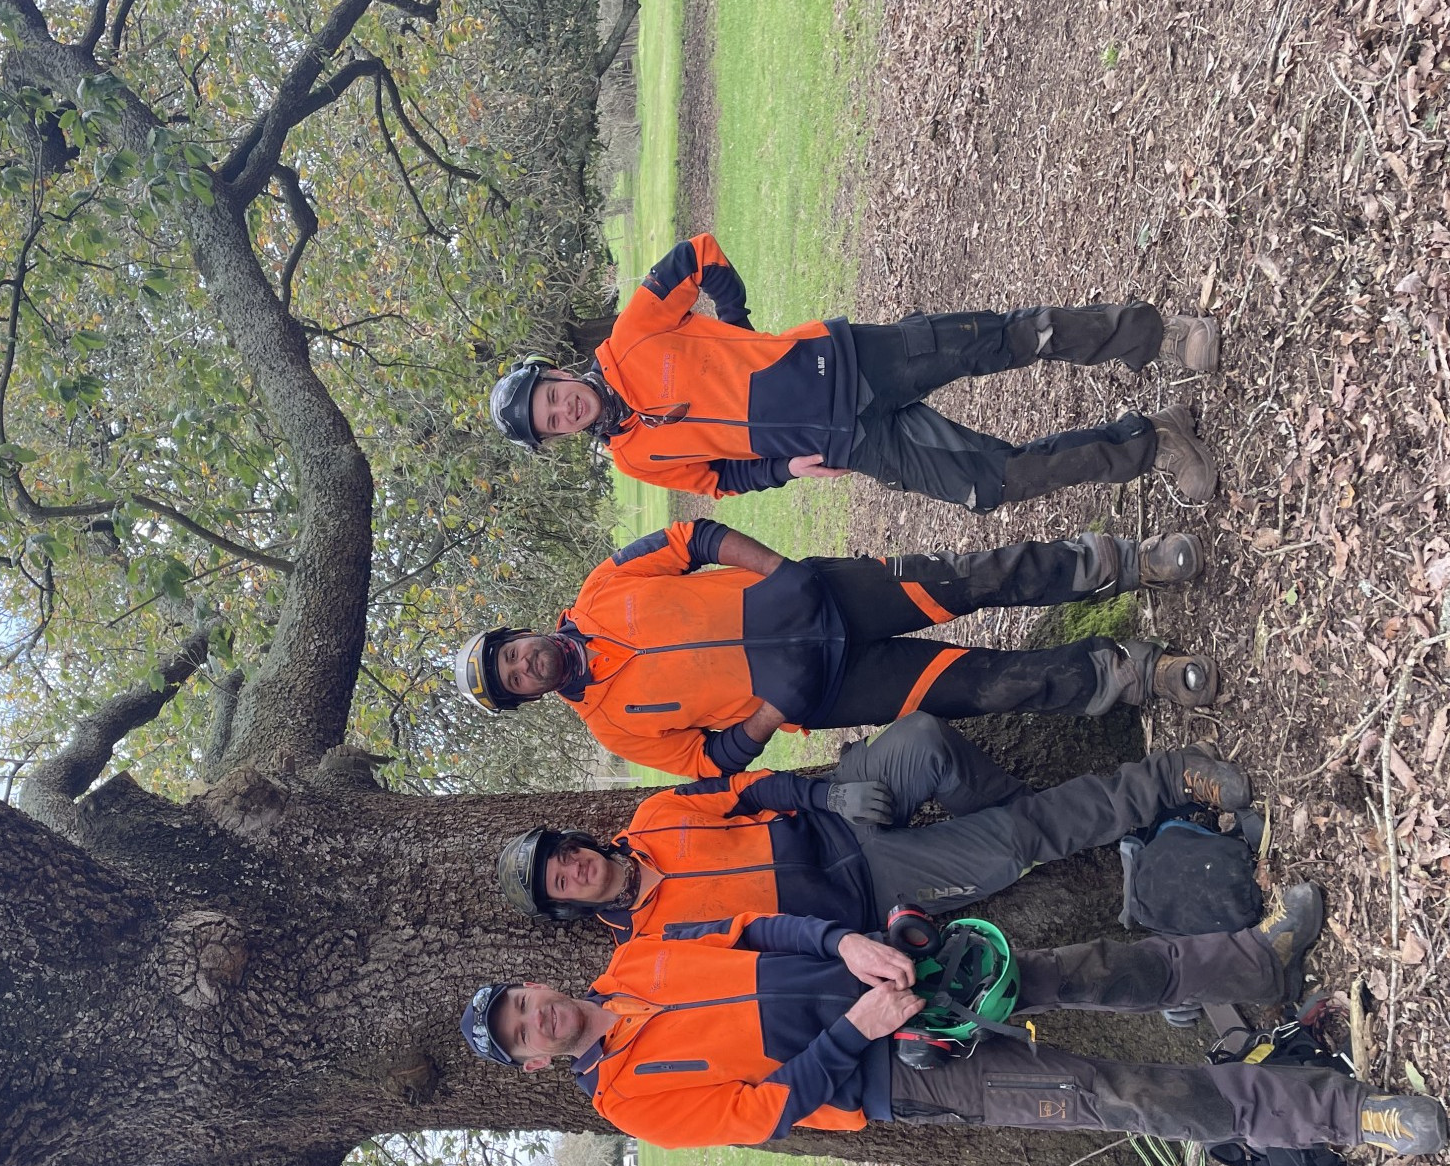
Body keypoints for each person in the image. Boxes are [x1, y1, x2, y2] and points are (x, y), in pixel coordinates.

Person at [458, 885, 1450, 1155]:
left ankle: (1258, 957)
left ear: (533, 984)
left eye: (521, 1002)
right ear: (538, 1064)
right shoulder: (630, 1101)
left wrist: (848, 946)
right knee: (1110, 1094)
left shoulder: (631, 956)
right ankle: (1339, 1114)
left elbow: (757, 925)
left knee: (1085, 967)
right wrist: (857, 1027)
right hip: (900, 1071)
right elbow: (764, 1110)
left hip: (901, 977)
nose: (535, 1017)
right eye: (522, 1035)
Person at [488, 232, 1221, 509]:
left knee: (1003, 340)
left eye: (550, 398)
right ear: (556, 439)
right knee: (990, 484)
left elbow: (700, 256)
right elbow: (719, 479)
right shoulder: (634, 458)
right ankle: (1153, 441)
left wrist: (741, 332)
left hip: (849, 361)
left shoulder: (632, 333)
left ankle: (1154, 336)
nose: (562, 412)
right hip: (851, 446)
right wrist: (784, 472)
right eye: (550, 425)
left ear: (556, 372)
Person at [454, 517, 1217, 778]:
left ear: (517, 632)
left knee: (976, 577)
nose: (524, 664)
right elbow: (707, 762)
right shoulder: (612, 726)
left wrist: (781, 570)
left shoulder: (602, 586)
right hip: (828, 687)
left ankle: (1121, 562)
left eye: (511, 653)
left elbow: (695, 537)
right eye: (515, 680)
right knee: (985, 686)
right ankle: (1133, 673)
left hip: (820, 593)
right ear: (528, 696)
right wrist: (769, 715)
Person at [492, 712, 1251, 940]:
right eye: (561, 882)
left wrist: (832, 797)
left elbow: (753, 789)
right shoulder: (648, 950)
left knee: (923, 740)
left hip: (841, 811)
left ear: (578, 839)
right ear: (571, 906)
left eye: (563, 854)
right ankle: (1159, 786)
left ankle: (1119, 804)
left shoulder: (654, 817)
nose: (574, 867)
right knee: (1014, 842)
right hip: (869, 894)